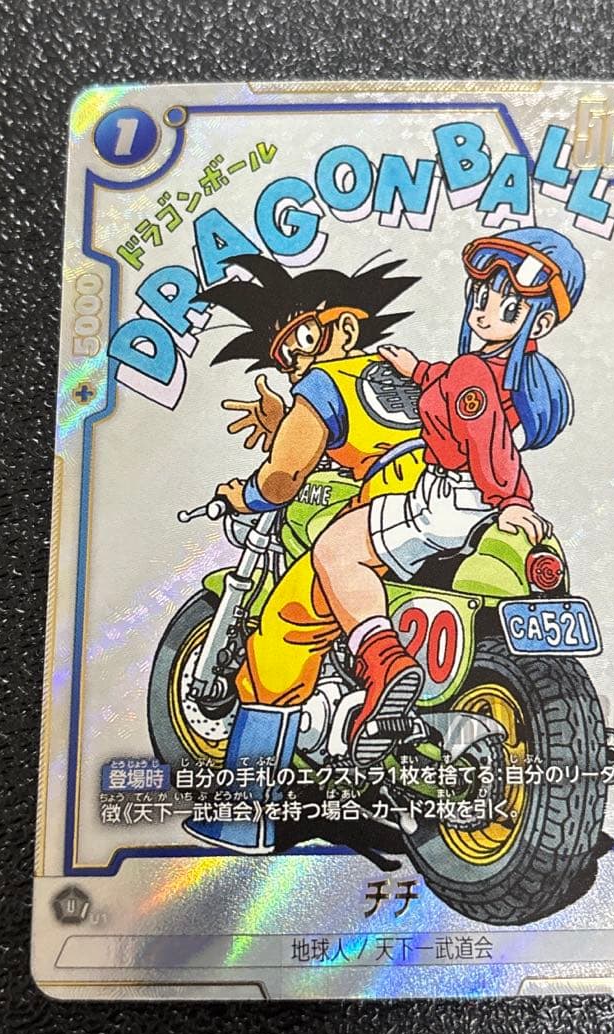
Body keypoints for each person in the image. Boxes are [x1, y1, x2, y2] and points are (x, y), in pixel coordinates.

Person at [311, 227, 586, 764]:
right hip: (477, 505)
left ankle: (383, 662)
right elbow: (469, 392)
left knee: (336, 551)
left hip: (448, 502)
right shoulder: (516, 373)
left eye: (508, 306)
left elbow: (487, 438)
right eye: (482, 296)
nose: (486, 311)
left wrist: (511, 499)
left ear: (540, 321)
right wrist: (417, 371)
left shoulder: (472, 371)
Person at [184, 253, 425, 851]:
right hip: (451, 510)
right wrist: (285, 425)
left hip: (384, 514)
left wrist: (244, 493)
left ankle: (241, 817)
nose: (298, 360)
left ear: (344, 327)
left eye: (305, 339)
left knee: (281, 636)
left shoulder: (324, 384)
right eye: (287, 355)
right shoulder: (405, 373)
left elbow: (284, 479)